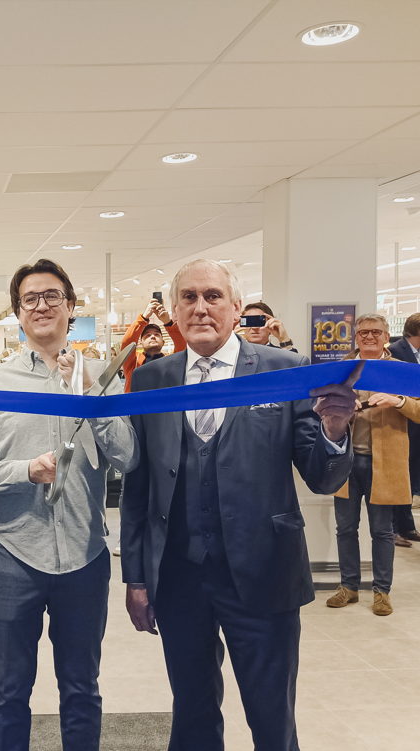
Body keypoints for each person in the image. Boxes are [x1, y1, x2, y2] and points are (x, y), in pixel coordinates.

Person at [120, 259, 356, 751]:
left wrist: (334, 430)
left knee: (271, 716)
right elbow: (138, 488)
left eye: (212, 296)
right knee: (192, 712)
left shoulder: (283, 370)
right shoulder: (151, 380)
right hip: (180, 576)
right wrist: (137, 578)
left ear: (234, 307)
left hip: (263, 573)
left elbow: (322, 475)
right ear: (175, 311)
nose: (200, 307)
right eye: (188, 297)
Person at [0, 259, 138, 751]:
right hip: (14, 556)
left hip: (84, 557)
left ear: (71, 307)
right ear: (18, 314)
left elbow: (127, 456)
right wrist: (25, 471)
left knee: (81, 689)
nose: (41, 306)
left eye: (51, 296)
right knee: (10, 690)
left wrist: (88, 395)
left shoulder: (102, 377)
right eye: (29, 299)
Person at [326, 314, 420, 615]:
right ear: (355, 336)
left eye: (375, 332)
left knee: (381, 530)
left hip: (385, 463)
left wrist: (399, 402)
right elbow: (322, 407)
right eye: (363, 332)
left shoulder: (401, 371)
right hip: (346, 460)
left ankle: (382, 591)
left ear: (386, 335)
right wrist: (341, 409)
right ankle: (349, 586)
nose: (369, 336)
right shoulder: (342, 368)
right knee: (345, 528)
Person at [388, 311, 420, 524]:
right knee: (401, 475)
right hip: (400, 423)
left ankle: (406, 525)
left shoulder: (416, 352)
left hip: (415, 419)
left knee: (410, 474)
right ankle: (398, 526)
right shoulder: (394, 353)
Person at [121, 297, 185, 392]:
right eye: (147, 335)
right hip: (136, 405)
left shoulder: (172, 361)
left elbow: (182, 345)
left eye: (157, 334)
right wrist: (144, 317)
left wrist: (168, 322)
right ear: (141, 343)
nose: (152, 336)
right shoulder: (133, 363)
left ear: (163, 342)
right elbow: (127, 343)